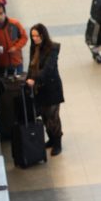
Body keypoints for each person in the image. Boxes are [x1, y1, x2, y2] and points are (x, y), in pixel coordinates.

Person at [26, 24, 65, 156]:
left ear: (43, 35)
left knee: (53, 117)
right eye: (33, 36)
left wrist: (34, 79)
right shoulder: (34, 47)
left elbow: (49, 69)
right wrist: (28, 78)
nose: (35, 38)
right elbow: (31, 65)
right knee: (44, 115)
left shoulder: (52, 48)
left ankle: (57, 142)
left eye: (37, 35)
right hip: (40, 89)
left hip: (51, 88)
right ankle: (52, 139)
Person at [0, 3, 28, 75]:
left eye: (0, 13)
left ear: (5, 13)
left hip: (16, 62)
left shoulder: (15, 24)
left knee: (17, 84)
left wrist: (16, 47)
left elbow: (24, 37)